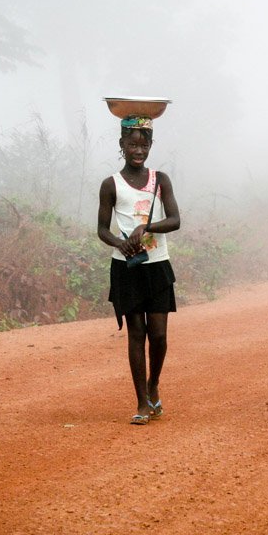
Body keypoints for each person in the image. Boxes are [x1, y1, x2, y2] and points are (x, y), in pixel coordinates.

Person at [96, 117, 181, 425]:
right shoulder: (111, 185)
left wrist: (146, 227)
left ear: (150, 146)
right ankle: (142, 401)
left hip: (158, 266)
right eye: (132, 144)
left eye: (144, 144)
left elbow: (175, 220)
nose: (138, 150)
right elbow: (101, 230)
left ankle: (154, 383)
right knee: (136, 334)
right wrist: (121, 244)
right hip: (127, 269)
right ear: (122, 145)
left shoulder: (161, 179)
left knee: (158, 335)